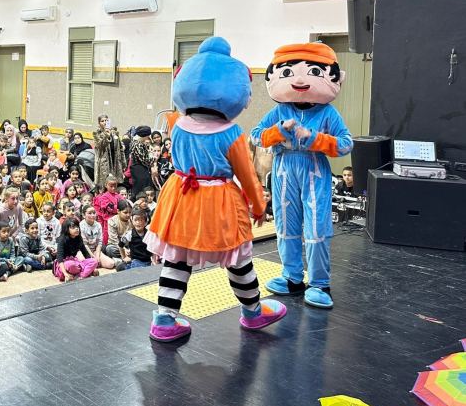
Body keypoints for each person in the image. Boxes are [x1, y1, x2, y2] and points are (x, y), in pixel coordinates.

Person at [147, 37, 286, 343]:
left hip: (180, 196)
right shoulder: (232, 133)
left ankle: (164, 319)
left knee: (176, 259)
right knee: (238, 259)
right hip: (219, 201)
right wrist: (258, 205)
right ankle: (253, 312)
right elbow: (247, 176)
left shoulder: (176, 123)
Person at [251, 42, 352, 310]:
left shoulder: (328, 113)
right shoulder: (279, 111)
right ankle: (292, 277)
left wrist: (315, 138)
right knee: (286, 226)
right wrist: (278, 131)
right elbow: (256, 135)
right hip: (283, 170)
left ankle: (319, 283)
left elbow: (346, 144)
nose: (298, 81)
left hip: (314, 170)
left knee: (317, 228)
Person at [54, 217, 98, 282]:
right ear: (67, 229)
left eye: (77, 227)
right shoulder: (62, 240)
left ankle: (80, 276)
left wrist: (93, 268)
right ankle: (83, 273)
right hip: (64, 264)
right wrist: (65, 274)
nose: (77, 229)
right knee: (70, 265)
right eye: (73, 227)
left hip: (75, 263)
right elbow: (59, 259)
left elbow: (86, 254)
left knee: (94, 261)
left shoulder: (79, 238)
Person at [80, 205, 121, 271]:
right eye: (89, 213)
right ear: (83, 215)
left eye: (94, 213)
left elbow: (99, 242)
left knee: (110, 264)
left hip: (95, 250)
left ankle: (116, 260)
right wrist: (92, 256)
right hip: (84, 251)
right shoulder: (81, 225)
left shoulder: (98, 225)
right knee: (89, 265)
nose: (93, 215)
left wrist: (97, 255)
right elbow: (84, 244)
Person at [93, 114, 125, 191]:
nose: (104, 122)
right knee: (105, 186)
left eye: (106, 120)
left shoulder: (114, 133)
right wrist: (105, 135)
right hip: (104, 165)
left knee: (115, 184)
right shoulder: (97, 134)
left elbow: (120, 148)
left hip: (115, 163)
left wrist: (123, 163)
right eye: (102, 121)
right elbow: (99, 147)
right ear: (99, 123)